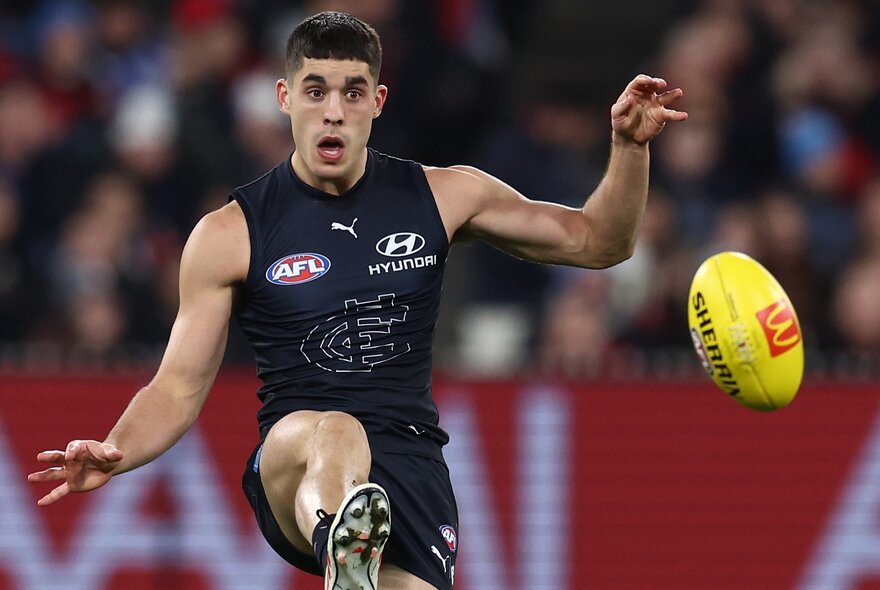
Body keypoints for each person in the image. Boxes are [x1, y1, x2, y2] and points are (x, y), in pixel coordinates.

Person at [27, 11, 687, 590]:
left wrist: (628, 149)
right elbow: (176, 388)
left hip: (411, 468)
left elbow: (600, 243)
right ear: (285, 98)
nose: (333, 109)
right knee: (334, 431)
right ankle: (340, 545)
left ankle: (356, 560)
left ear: (378, 100)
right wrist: (116, 449)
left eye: (351, 92)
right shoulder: (231, 233)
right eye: (315, 91)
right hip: (295, 464)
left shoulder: (445, 195)